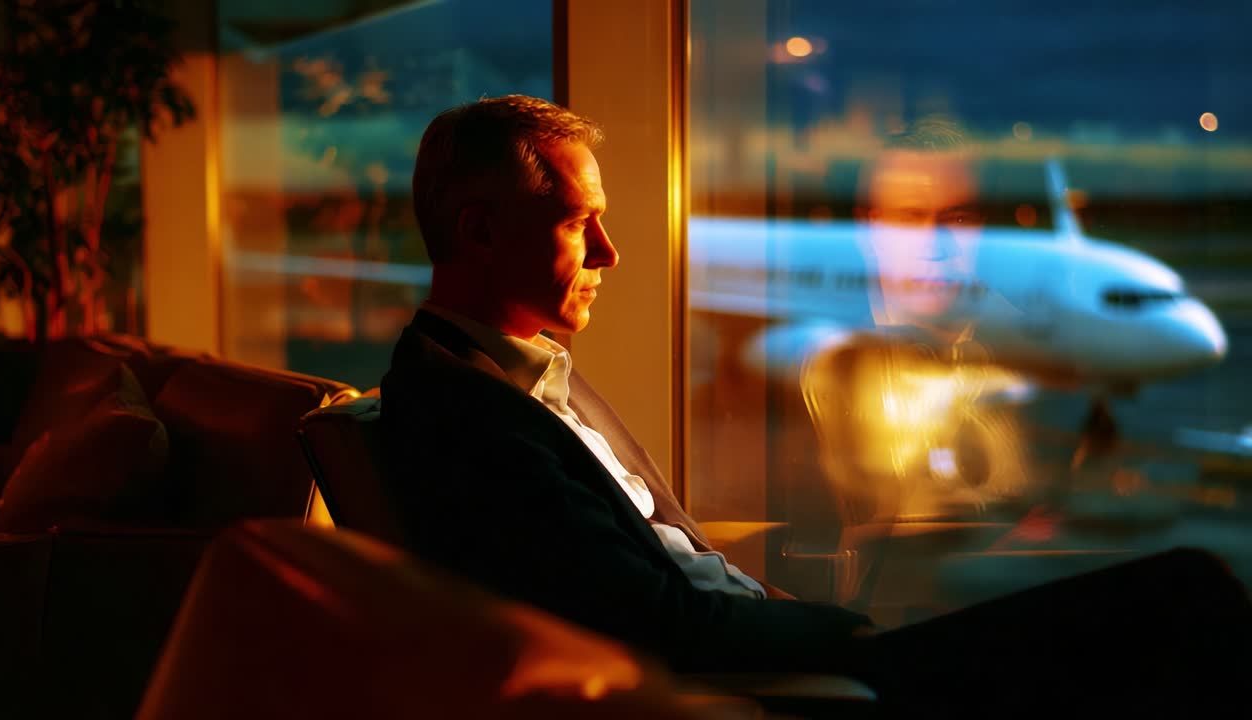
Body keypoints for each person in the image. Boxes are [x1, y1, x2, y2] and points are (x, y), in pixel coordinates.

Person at [380, 95, 1251, 715]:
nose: (611, 253)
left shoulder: (513, 374)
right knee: (1183, 595)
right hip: (766, 676)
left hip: (765, 638)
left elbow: (659, 555)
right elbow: (652, 621)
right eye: (578, 223)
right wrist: (840, 631)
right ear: (482, 233)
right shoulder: (468, 414)